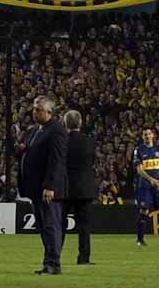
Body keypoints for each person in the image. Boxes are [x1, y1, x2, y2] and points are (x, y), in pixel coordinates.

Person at [20, 95, 67, 276]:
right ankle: (49, 262)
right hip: (36, 187)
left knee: (50, 225)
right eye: (34, 109)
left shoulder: (56, 131)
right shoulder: (36, 131)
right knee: (43, 226)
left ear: (49, 112)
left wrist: (50, 186)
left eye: (38, 110)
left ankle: (53, 264)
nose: (34, 112)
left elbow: (57, 161)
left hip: (47, 188)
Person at [60, 110, 96, 266]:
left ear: (65, 123)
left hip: (65, 188)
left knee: (59, 225)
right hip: (84, 188)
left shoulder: (61, 140)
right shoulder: (88, 141)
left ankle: (55, 257)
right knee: (84, 226)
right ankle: (84, 258)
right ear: (80, 123)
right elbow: (91, 161)